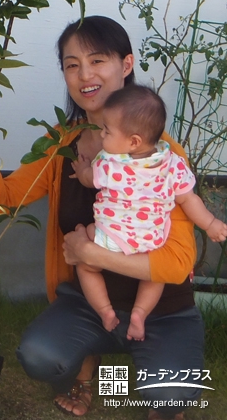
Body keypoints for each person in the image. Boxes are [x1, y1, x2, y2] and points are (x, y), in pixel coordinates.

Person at [0, 16, 204, 420]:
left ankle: (159, 382)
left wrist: (92, 255)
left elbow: (179, 261)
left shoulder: (163, 156)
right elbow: (1, 202)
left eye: (97, 60)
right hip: (88, 302)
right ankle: (88, 367)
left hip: (163, 306)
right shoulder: (61, 145)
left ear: (127, 65)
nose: (85, 75)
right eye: (72, 64)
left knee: (171, 397)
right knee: (39, 356)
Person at [71, 84, 227, 341]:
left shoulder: (109, 163)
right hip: (152, 240)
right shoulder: (172, 163)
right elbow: (189, 201)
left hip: (111, 237)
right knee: (155, 278)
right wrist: (210, 224)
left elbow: (89, 179)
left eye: (107, 131)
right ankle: (139, 314)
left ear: (133, 141)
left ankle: (105, 311)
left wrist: (82, 170)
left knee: (86, 263)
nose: (101, 136)